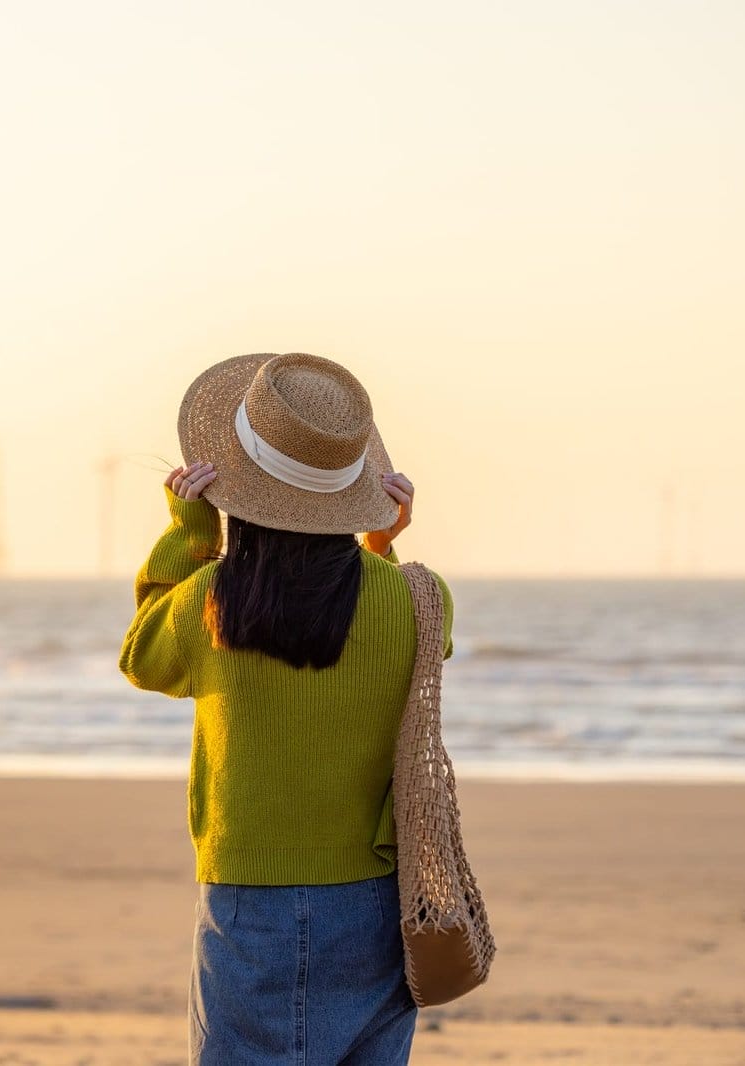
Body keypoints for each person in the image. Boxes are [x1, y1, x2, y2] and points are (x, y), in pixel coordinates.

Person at [119, 352, 454, 1065]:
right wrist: (382, 548)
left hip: (249, 900)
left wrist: (190, 532)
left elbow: (141, 657)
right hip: (377, 903)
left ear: (236, 487)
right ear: (354, 488)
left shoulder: (208, 603)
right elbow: (410, 646)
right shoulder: (421, 599)